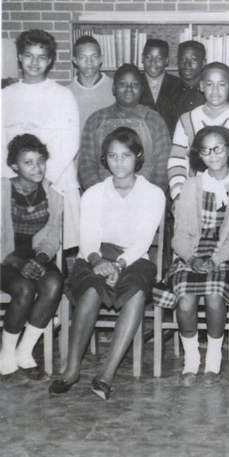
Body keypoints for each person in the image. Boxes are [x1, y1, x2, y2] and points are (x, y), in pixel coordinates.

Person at [49, 127, 165, 400]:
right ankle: (72, 369)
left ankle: (106, 375)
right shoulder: (94, 193)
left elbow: (142, 241)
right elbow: (87, 239)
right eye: (112, 156)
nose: (119, 162)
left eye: (125, 155)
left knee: (136, 294)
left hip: (134, 258)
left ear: (138, 156)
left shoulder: (152, 193)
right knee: (90, 289)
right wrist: (97, 261)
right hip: (95, 255)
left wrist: (119, 265)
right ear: (105, 159)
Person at [153, 127, 229, 386]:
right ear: (199, 155)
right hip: (191, 255)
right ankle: (192, 358)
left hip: (227, 257)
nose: (213, 154)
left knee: (214, 295)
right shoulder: (191, 185)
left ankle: (213, 360)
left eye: (218, 148)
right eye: (206, 150)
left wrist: (216, 260)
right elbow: (180, 235)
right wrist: (190, 258)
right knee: (185, 299)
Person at [2, 29, 81, 249]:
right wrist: (10, 182)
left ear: (50, 61)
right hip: (11, 180)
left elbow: (69, 142)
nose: (34, 62)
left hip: (53, 181)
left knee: (49, 242)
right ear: (19, 56)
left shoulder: (62, 96)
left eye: (41, 57)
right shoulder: (5, 96)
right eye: (28, 55)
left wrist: (46, 179)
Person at [1, 135, 64, 380]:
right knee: (24, 287)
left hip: (33, 257)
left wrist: (40, 258)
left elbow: (51, 236)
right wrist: (17, 262)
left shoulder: (53, 195)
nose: (37, 167)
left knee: (53, 282)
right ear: (14, 165)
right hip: (4, 258)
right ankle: (6, 353)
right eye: (28, 162)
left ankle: (25, 351)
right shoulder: (2, 190)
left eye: (40, 161)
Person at [168, 62, 229, 200]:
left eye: (221, 84)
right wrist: (179, 194)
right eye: (210, 84)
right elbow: (178, 160)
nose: (215, 90)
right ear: (201, 86)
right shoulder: (186, 120)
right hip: (194, 195)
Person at [78, 63, 171, 193]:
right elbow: (86, 164)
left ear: (142, 89)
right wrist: (102, 195)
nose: (129, 89)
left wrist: (149, 196)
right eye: (123, 84)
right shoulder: (96, 120)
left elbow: (163, 165)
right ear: (114, 88)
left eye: (135, 84)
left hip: (145, 198)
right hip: (104, 198)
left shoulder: (154, 120)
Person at [66, 35, 115, 134]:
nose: (89, 62)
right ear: (75, 60)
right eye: (83, 57)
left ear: (101, 59)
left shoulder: (114, 88)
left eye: (94, 57)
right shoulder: (66, 93)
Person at [139, 38, 184, 136]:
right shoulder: (135, 83)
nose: (153, 62)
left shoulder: (178, 85)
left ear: (166, 61)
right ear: (142, 58)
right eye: (148, 57)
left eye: (159, 58)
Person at [173, 40, 207, 119]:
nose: (187, 64)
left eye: (193, 59)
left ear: (203, 63)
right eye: (183, 59)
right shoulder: (170, 91)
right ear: (178, 62)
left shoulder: (210, 91)